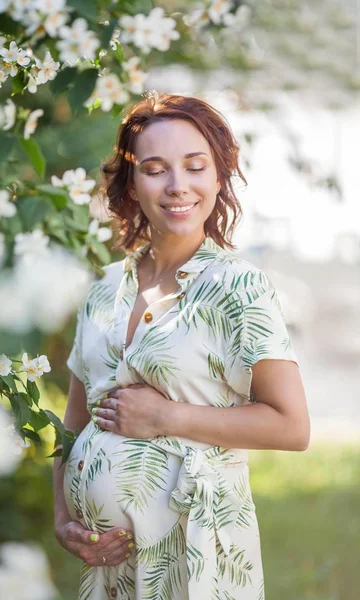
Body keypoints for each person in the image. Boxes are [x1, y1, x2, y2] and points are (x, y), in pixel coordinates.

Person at [53, 91, 310, 600]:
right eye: (154, 168)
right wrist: (64, 519)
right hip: (112, 567)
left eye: (195, 166)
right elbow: (74, 422)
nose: (178, 186)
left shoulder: (239, 287)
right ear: (130, 183)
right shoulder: (104, 288)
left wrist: (166, 418)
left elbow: (292, 426)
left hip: (197, 560)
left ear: (219, 177)